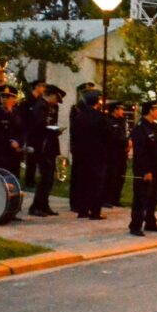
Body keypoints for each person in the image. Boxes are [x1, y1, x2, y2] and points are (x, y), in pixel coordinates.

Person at [129, 100, 157, 237]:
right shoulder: (140, 128)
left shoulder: (155, 126)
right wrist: (145, 171)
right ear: (150, 111)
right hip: (145, 169)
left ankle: (150, 222)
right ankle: (135, 225)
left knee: (154, 197)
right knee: (141, 198)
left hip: (156, 168)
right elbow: (140, 152)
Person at [71, 90, 110, 219]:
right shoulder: (100, 117)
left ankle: (82, 209)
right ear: (97, 102)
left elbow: (74, 134)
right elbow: (107, 135)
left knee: (83, 182)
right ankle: (95, 211)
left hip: (82, 154)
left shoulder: (79, 117)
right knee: (97, 183)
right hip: (97, 154)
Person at [27, 85, 64, 217]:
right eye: (56, 99)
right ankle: (36, 206)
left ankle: (44, 204)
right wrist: (51, 130)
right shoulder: (40, 106)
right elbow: (38, 126)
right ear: (51, 96)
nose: (56, 102)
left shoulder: (51, 107)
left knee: (49, 178)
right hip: (42, 146)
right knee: (44, 177)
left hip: (49, 145)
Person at [68, 81, 96, 213]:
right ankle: (75, 202)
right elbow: (75, 129)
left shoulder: (92, 108)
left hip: (90, 146)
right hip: (79, 145)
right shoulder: (77, 108)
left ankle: (86, 200)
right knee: (77, 175)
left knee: (88, 175)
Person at [19, 79, 46, 188]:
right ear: (37, 87)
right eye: (42, 86)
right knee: (30, 158)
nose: (44, 89)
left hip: (39, 133)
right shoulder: (27, 101)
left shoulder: (42, 101)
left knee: (36, 157)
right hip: (29, 133)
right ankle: (29, 180)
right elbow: (23, 118)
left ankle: (34, 179)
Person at [103, 101, 130, 207]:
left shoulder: (122, 121)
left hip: (122, 153)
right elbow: (113, 137)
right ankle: (106, 199)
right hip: (112, 153)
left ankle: (116, 198)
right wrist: (126, 142)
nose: (122, 111)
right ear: (115, 110)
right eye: (120, 109)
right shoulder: (108, 121)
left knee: (120, 176)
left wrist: (128, 143)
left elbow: (124, 134)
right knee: (111, 176)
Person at [0, 86, 25, 179]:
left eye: (8, 97)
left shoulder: (17, 113)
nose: (4, 99)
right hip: (0, 152)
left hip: (15, 152)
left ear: (14, 99)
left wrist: (19, 143)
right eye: (2, 96)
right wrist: (10, 142)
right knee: (1, 179)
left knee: (13, 179)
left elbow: (22, 130)